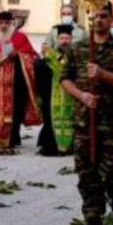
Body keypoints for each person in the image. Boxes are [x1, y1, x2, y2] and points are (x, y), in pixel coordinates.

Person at [60, 2, 113, 225]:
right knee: (87, 173)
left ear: (112, 18)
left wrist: (103, 75)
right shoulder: (78, 48)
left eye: (104, 16)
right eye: (95, 16)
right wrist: (82, 95)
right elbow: (65, 79)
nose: (100, 20)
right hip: (85, 121)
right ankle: (93, 223)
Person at [0, 11, 42, 153]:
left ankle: (12, 138)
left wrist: (18, 55)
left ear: (12, 24)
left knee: (15, 110)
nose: (4, 26)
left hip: (15, 81)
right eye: (1, 23)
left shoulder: (21, 38)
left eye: (7, 23)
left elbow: (32, 56)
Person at [36, 25, 76, 156]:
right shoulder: (50, 55)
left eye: (67, 38)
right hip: (53, 94)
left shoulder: (77, 55)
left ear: (71, 39)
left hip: (73, 94)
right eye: (62, 38)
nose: (64, 41)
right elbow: (40, 73)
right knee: (51, 119)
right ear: (57, 39)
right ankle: (53, 146)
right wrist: (41, 60)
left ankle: (71, 146)